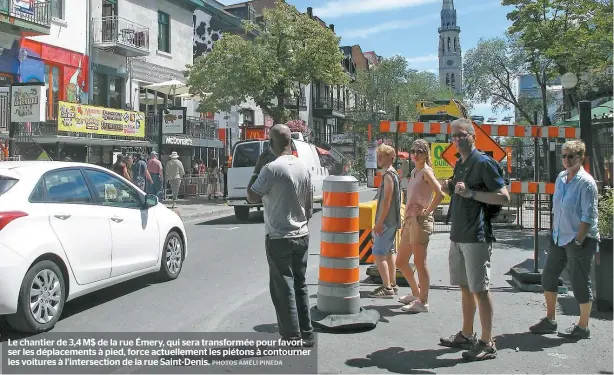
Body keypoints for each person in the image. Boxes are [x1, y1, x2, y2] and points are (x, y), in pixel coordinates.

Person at [439, 118, 510, 361]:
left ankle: (487, 343)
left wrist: (471, 193)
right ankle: (467, 334)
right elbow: (457, 190)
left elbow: (504, 197)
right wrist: (448, 187)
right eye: (454, 137)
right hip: (458, 235)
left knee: (480, 289)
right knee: (466, 287)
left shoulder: (483, 162)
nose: (457, 140)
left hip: (476, 236)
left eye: (461, 135)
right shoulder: (461, 163)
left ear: (472, 136)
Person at [246, 124, 314, 348]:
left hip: (279, 236)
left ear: (271, 144)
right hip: (302, 234)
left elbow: (251, 197)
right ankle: (307, 333)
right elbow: (309, 208)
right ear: (291, 143)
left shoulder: (271, 169)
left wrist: (257, 167)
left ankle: (291, 337)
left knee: (283, 288)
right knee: (300, 285)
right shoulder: (303, 168)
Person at [529, 140, 599, 339]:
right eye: (564, 156)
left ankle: (583, 327)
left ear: (581, 158)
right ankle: (550, 320)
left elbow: (589, 216)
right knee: (548, 276)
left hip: (579, 239)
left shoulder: (586, 183)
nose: (567, 160)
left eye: (572, 156)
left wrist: (578, 240)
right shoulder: (561, 178)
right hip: (559, 237)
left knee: (579, 283)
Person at [397, 139, 445, 313]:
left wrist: (428, 211)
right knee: (401, 261)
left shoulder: (426, 171)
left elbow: (440, 193)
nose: (415, 154)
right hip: (410, 220)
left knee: (419, 261)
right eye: (413, 151)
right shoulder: (415, 171)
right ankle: (417, 293)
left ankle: (423, 302)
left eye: (419, 151)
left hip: (420, 220)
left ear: (426, 154)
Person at [368, 144, 402, 298]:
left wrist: (380, 222)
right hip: (393, 220)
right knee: (389, 252)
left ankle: (387, 287)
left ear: (390, 157)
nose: (379, 159)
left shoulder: (388, 175)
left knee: (379, 254)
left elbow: (387, 199)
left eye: (381, 155)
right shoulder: (394, 174)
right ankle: (393, 284)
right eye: (378, 155)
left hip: (387, 221)